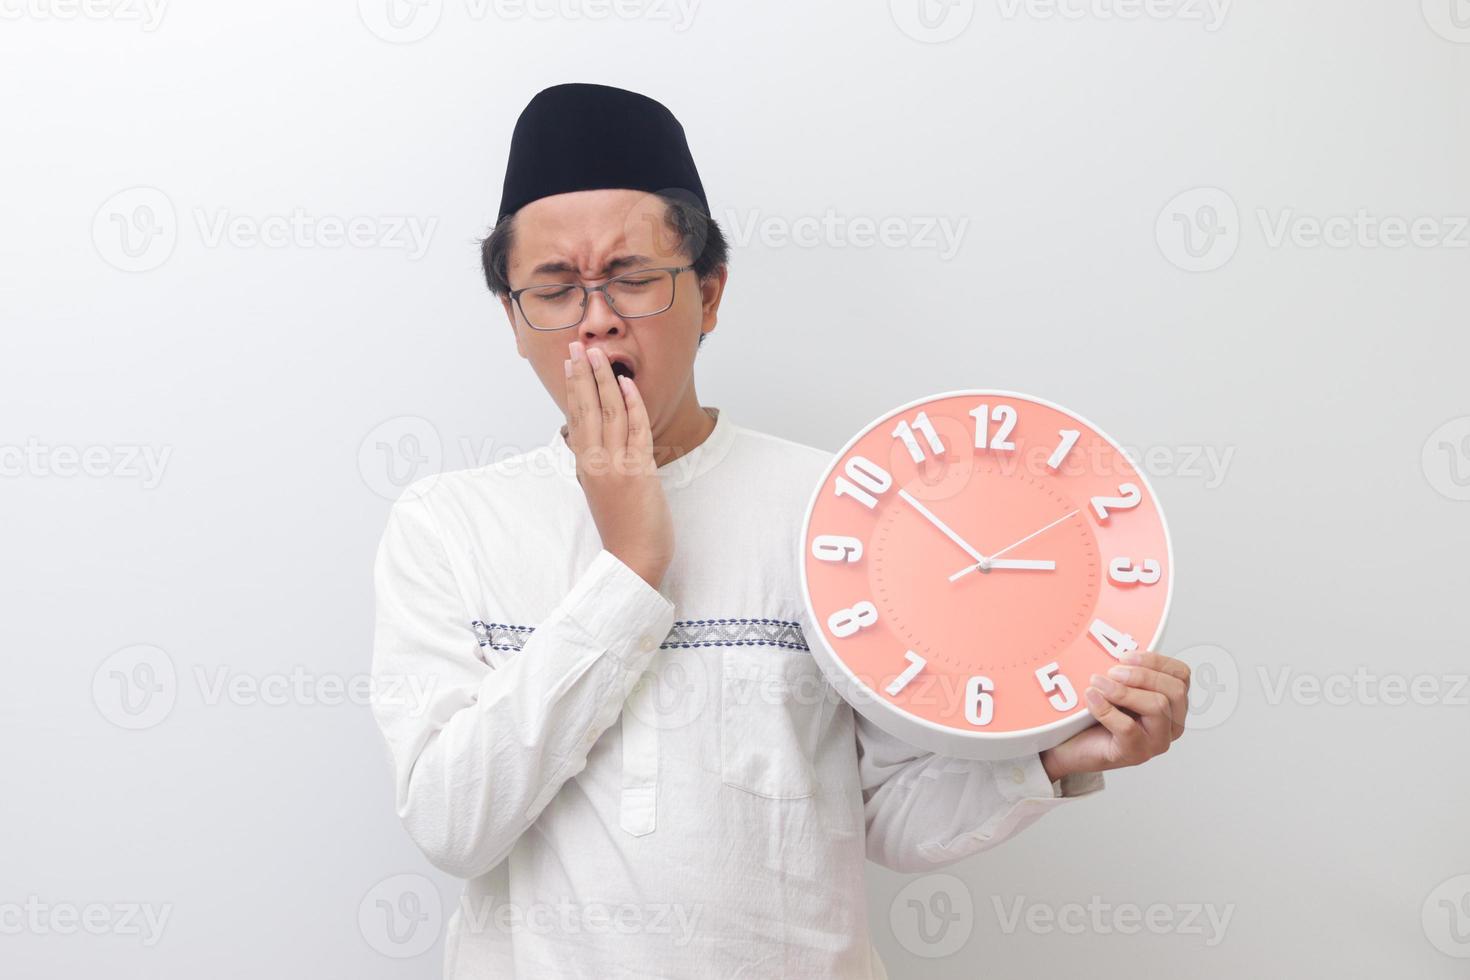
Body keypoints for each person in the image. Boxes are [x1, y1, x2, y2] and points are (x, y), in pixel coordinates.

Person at [369, 81, 1192, 979]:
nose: (596, 315)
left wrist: (1054, 757)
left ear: (710, 293)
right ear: (514, 320)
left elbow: (879, 811)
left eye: (633, 278)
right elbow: (453, 822)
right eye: (556, 288)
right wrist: (630, 568)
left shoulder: (837, 510)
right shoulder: (447, 526)